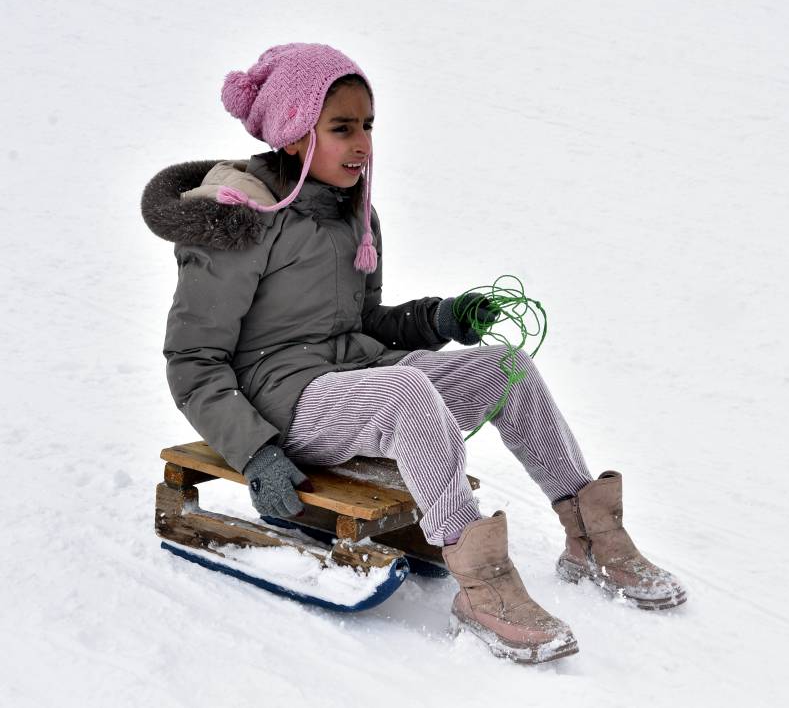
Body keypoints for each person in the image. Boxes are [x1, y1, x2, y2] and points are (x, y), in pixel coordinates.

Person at [141, 43, 686, 664]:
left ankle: (589, 531)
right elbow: (193, 360)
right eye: (341, 128)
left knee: (506, 368)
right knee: (408, 394)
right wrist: (255, 453)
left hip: (353, 377)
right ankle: (480, 586)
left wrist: (444, 317)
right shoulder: (239, 224)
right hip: (283, 405)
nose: (361, 144)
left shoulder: (356, 215)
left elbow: (366, 320)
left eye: (367, 126)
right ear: (294, 134)